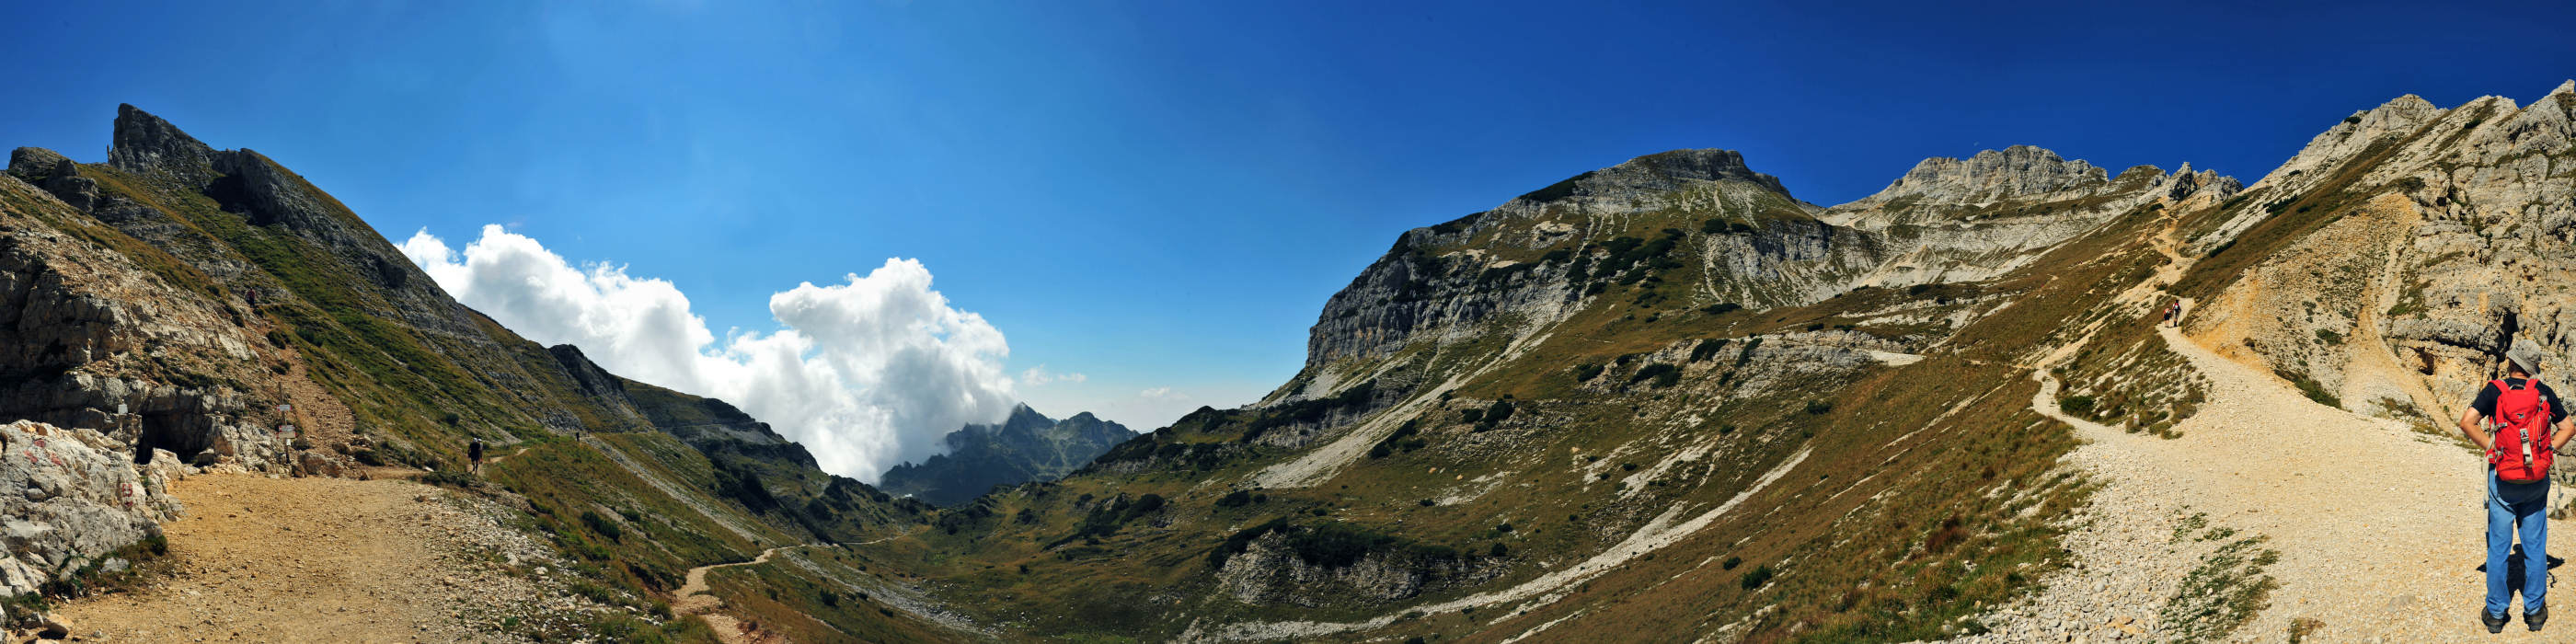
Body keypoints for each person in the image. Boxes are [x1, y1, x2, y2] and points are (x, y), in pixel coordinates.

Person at [2459, 339, 2576, 632]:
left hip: (2503, 481)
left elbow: (2467, 422)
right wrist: (2547, 452)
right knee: (2535, 547)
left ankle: (2497, 614)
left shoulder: (2494, 390)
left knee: (2498, 549)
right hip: (2536, 480)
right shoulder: (2544, 393)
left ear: (2511, 363)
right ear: (2532, 368)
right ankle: (2535, 612)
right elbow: (2568, 428)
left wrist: (2492, 448)